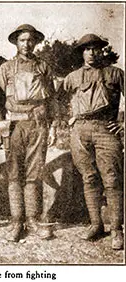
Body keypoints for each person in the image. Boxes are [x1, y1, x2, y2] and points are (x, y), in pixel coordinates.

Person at [0, 24, 57, 242]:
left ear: (35, 42)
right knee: (13, 172)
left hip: (38, 125)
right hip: (13, 126)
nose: (26, 44)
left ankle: (32, 219)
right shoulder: (6, 68)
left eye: (30, 40)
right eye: (22, 40)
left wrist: (54, 126)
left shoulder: (43, 67)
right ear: (16, 43)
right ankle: (16, 221)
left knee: (34, 172)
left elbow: (52, 99)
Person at [61, 34, 124, 250]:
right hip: (79, 130)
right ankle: (96, 224)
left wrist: (124, 124)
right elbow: (58, 101)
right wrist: (67, 121)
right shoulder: (72, 77)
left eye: (96, 48)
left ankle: (116, 229)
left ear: (102, 50)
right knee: (88, 178)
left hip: (106, 129)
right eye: (87, 49)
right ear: (81, 52)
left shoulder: (115, 73)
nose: (91, 52)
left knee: (112, 178)